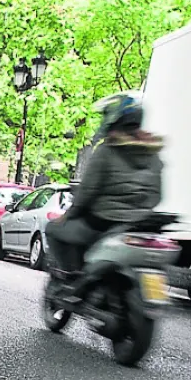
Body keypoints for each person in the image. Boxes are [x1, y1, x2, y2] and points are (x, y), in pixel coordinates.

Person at [47, 91, 164, 276]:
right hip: (139, 222)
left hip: (103, 220)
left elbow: (87, 191)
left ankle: (72, 276)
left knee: (54, 229)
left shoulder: (107, 150)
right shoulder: (153, 154)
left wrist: (69, 215)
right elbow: (157, 195)